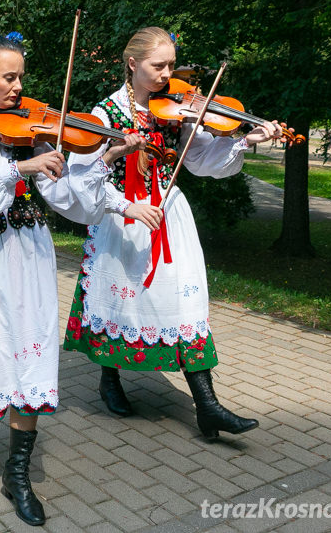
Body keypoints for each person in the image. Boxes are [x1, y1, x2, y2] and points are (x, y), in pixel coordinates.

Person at [0, 32, 139, 527]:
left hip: (26, 254)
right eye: (9, 77)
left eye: (21, 75)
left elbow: (73, 201)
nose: (20, 86)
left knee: (29, 353)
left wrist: (104, 159)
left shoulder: (33, 128)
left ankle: (16, 472)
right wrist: (17, 166)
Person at [62, 26, 283, 440]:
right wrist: (124, 204)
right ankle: (109, 379)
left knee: (184, 303)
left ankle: (207, 405)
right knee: (119, 297)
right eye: (157, 65)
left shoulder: (177, 108)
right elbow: (84, 177)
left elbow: (198, 159)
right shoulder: (104, 113)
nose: (167, 74)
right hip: (121, 214)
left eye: (169, 65)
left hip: (167, 212)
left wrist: (245, 139)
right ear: (133, 64)